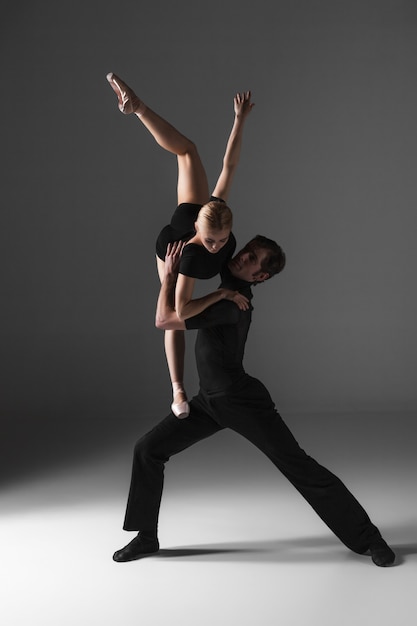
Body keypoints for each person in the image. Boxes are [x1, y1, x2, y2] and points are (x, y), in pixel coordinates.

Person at [112, 237, 396, 567]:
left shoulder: (234, 305)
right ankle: (146, 537)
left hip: (241, 400)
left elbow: (165, 320)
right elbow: (211, 231)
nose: (241, 258)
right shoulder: (229, 281)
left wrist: (173, 275)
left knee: (299, 467)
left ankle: (370, 539)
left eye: (252, 260)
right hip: (208, 402)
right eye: (245, 251)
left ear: (260, 277)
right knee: (147, 449)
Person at [106, 72, 253, 418]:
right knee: (171, 317)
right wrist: (221, 293)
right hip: (170, 247)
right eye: (211, 241)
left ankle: (138, 107)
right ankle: (178, 389)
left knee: (188, 151)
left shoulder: (215, 212)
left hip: (191, 213)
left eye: (222, 241)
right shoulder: (190, 257)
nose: (217, 247)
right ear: (200, 232)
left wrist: (239, 120)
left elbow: (229, 164)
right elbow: (182, 313)